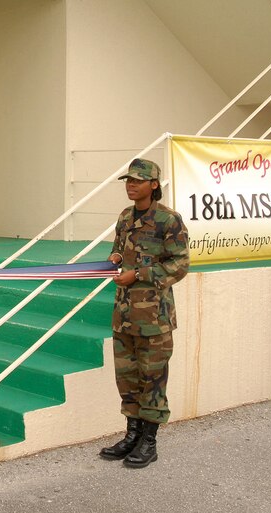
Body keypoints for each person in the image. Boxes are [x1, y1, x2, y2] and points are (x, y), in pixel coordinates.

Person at [100, 158, 189, 468]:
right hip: (124, 315)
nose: (131, 185)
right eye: (128, 180)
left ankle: (148, 441)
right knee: (127, 379)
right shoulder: (125, 217)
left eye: (138, 180)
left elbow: (179, 265)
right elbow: (120, 249)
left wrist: (138, 275)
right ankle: (132, 434)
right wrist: (114, 256)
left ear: (154, 185)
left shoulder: (168, 220)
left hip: (154, 318)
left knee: (152, 379)